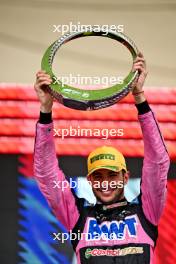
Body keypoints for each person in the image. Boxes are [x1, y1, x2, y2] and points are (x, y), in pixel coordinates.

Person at [34, 52, 170, 264]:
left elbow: (158, 163)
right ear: (90, 180)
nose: (105, 183)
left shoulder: (147, 211)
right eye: (98, 176)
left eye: (112, 175)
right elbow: (46, 174)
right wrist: (45, 110)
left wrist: (140, 97)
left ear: (125, 178)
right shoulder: (78, 217)